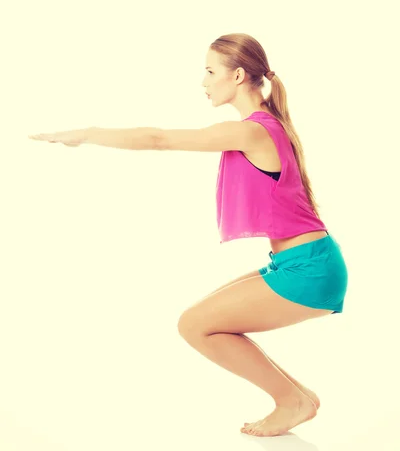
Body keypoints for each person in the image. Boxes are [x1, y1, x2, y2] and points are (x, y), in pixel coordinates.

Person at [28, 32, 348, 438]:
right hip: (302, 261)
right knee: (201, 318)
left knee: (195, 325)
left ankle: (291, 401)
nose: (203, 82)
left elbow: (160, 139)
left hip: (310, 270)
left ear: (236, 76)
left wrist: (88, 132)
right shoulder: (264, 125)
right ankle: (299, 397)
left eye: (210, 71)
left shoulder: (253, 131)